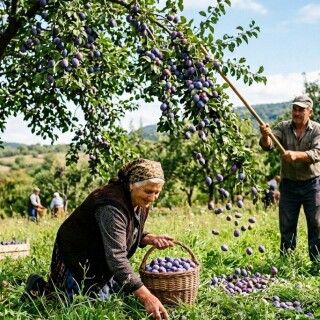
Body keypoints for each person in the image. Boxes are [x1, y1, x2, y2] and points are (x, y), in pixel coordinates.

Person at [25, 159, 174, 320]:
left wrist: (148, 237)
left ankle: (52, 289)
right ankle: (38, 287)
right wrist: (147, 297)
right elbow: (116, 257)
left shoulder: (139, 201)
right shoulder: (111, 205)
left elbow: (125, 230)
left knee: (122, 296)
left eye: (157, 192)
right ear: (132, 184)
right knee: (89, 311)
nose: (152, 197)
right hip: (80, 255)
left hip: (102, 256)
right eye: (148, 191)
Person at [259, 95, 320, 262]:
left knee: (316, 224)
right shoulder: (283, 127)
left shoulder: (317, 129)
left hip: (312, 184)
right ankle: (287, 262)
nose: (297, 112)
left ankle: (317, 262)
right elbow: (268, 145)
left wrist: (296, 155)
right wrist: (265, 135)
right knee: (287, 226)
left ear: (310, 112)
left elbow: (317, 153)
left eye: (301, 109)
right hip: (288, 185)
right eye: (295, 108)